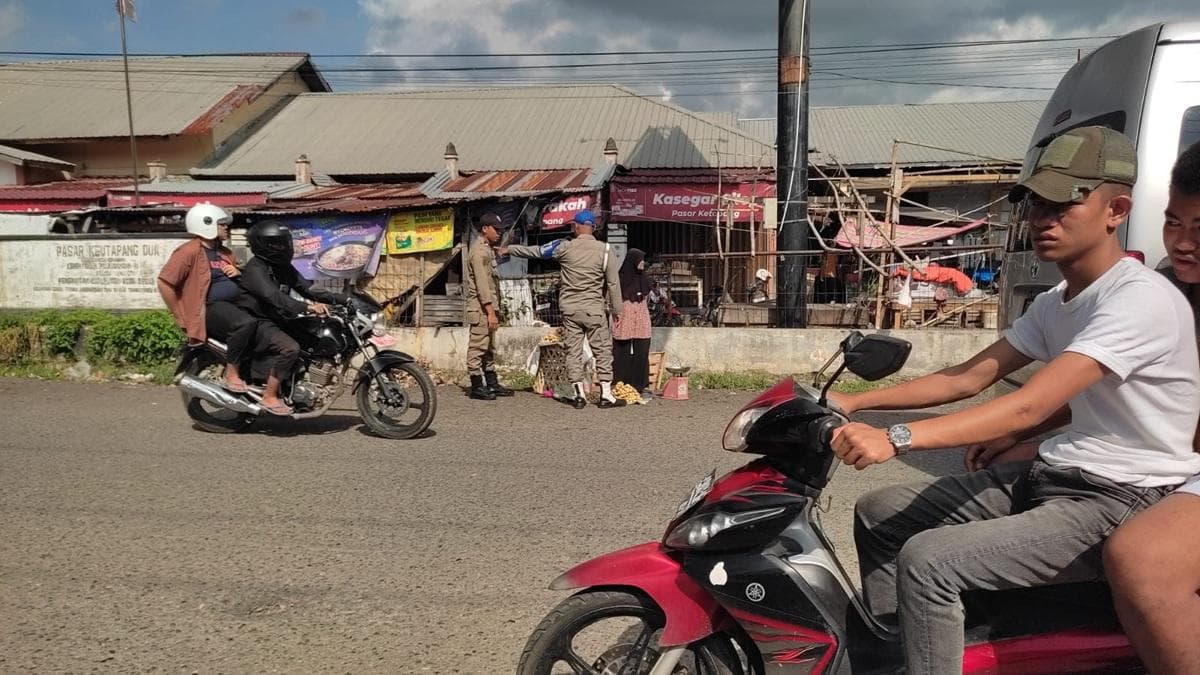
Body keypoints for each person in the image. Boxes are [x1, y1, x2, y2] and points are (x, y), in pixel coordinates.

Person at [825, 126, 1200, 675]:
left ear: (1115, 210)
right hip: (1064, 474)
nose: (1043, 220)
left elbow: (1027, 407)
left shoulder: (1138, 299)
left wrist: (898, 438)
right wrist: (855, 401)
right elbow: (966, 378)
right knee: (881, 514)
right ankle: (908, 655)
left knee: (929, 562)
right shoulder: (1058, 301)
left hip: (1119, 497)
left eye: (1063, 206)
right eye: (1036, 205)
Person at [1103, 139, 1200, 674]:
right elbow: (1112, 379)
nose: (1182, 243)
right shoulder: (1164, 291)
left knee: (1141, 558)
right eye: (1173, 221)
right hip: (1173, 457)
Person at [502, 209, 621, 409]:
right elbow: (613, 284)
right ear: (592, 227)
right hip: (594, 309)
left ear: (576, 226)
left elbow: (538, 252)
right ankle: (606, 395)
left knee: (573, 351)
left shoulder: (563, 247)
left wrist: (510, 249)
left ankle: (579, 395)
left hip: (570, 309)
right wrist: (617, 309)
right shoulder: (606, 250)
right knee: (602, 350)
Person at [236, 220, 345, 416]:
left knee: (312, 336)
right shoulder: (256, 269)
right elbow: (275, 297)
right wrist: (308, 307)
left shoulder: (281, 266)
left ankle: (297, 382)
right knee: (290, 348)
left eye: (284, 242)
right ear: (263, 245)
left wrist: (341, 299)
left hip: (277, 318)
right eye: (276, 243)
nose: (283, 247)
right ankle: (269, 396)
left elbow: (306, 287)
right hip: (258, 321)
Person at [157, 202, 256, 393]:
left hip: (231, 306)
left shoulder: (224, 253)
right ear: (206, 224)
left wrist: (237, 272)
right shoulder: (189, 252)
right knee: (245, 324)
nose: (226, 227)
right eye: (222, 224)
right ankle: (232, 374)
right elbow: (165, 283)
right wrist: (180, 316)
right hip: (210, 308)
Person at [464, 213, 513, 400]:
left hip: (489, 308)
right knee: (477, 347)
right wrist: (490, 311)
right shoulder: (478, 252)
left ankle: (492, 383)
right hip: (480, 309)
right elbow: (482, 285)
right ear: (485, 229)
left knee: (489, 347)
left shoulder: (487, 250)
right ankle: (476, 385)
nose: (499, 233)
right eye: (496, 229)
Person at [612, 248, 653, 399]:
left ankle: (641, 385)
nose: (642, 263)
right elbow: (612, 297)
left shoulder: (644, 279)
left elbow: (648, 297)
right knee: (621, 353)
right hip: (624, 320)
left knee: (641, 354)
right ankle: (620, 384)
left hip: (641, 321)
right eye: (640, 259)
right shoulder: (620, 279)